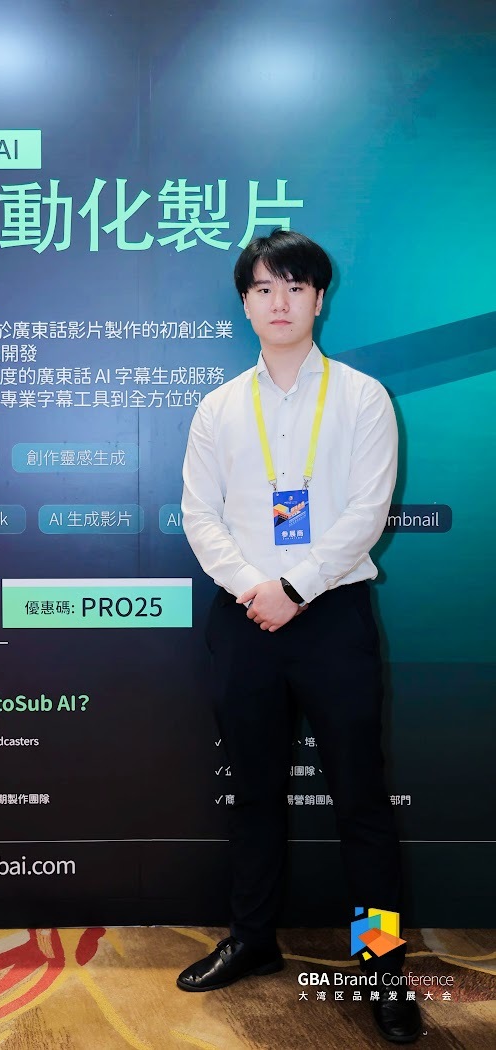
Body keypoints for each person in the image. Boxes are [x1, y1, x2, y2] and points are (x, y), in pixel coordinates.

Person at [177, 230, 422, 1044]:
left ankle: (381, 967)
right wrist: (257, 588)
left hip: (333, 619)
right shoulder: (219, 407)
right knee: (253, 795)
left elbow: (366, 512)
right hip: (245, 620)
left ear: (319, 297)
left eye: (293, 286)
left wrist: (296, 588)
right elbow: (200, 516)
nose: (277, 302)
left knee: (362, 801)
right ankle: (252, 940)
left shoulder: (362, 397)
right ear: (245, 304)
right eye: (262, 288)